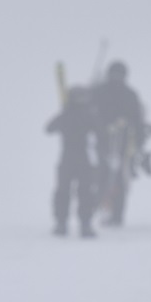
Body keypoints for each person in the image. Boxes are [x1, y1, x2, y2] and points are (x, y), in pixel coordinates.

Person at [92, 61, 148, 227]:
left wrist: (139, 140)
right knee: (105, 176)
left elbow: (137, 119)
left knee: (117, 177)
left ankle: (115, 213)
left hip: (122, 143)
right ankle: (105, 209)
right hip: (104, 141)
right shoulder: (100, 92)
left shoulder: (125, 94)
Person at [46, 86, 101, 238]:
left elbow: (49, 128)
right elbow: (49, 129)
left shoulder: (70, 115)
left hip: (71, 158)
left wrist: (64, 115)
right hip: (77, 158)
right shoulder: (86, 114)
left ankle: (70, 224)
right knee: (77, 192)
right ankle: (74, 224)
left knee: (71, 192)